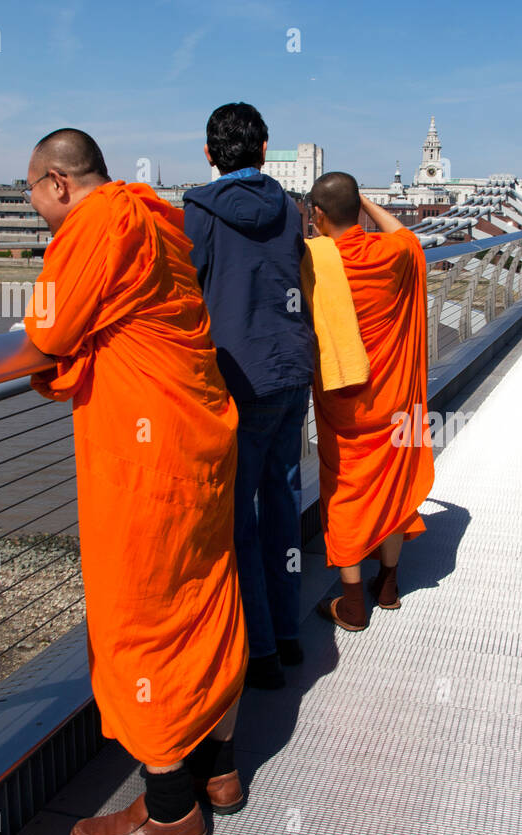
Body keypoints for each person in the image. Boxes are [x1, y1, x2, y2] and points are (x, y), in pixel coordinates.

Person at [21, 129, 247, 835]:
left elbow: (50, 330)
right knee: (205, 592)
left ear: (58, 183)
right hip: (202, 431)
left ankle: (170, 807)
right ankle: (220, 770)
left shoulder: (98, 222)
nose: (33, 207)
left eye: (31, 191)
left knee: (141, 608)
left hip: (149, 460)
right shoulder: (152, 215)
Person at [182, 103, 314, 691]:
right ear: (265, 151)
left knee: (236, 521)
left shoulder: (199, 213)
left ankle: (258, 651)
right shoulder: (290, 209)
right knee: (284, 503)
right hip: (291, 370)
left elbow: (183, 291)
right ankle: (287, 633)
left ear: (209, 154)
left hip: (237, 378)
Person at [307, 172, 435, 631]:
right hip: (396, 396)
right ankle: (389, 584)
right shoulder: (393, 253)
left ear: (317, 215)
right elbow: (408, 238)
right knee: (395, 485)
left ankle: (352, 603)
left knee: (345, 489)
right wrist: (363, 201)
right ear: (360, 209)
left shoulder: (314, 260)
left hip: (346, 402)